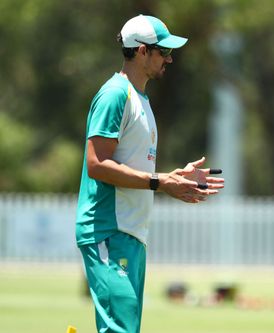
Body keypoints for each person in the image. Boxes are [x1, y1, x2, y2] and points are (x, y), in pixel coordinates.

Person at [75, 14, 224, 333]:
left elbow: (130, 165)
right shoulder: (116, 94)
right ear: (142, 51)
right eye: (163, 51)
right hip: (109, 228)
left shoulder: (140, 98)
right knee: (120, 330)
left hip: (129, 232)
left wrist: (174, 176)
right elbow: (97, 164)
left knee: (123, 328)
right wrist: (160, 182)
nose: (170, 59)